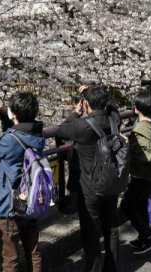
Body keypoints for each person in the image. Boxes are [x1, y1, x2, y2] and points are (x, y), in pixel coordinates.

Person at [0, 91, 45, 272]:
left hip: (9, 206)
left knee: (10, 260)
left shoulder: (8, 141)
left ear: (14, 114)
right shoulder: (37, 133)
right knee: (34, 252)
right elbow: (15, 134)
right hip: (31, 200)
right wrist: (7, 114)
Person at [56, 85, 122, 272]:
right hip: (111, 183)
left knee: (91, 231)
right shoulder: (114, 118)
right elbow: (114, 107)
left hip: (90, 188)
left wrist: (75, 113)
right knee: (111, 228)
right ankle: (112, 268)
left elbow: (61, 130)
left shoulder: (81, 126)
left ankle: (93, 268)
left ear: (85, 103)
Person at [121, 90, 151, 255]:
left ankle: (147, 237)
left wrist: (127, 144)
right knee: (140, 205)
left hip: (142, 174)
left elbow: (146, 154)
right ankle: (144, 238)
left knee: (127, 205)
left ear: (137, 108)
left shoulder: (140, 129)